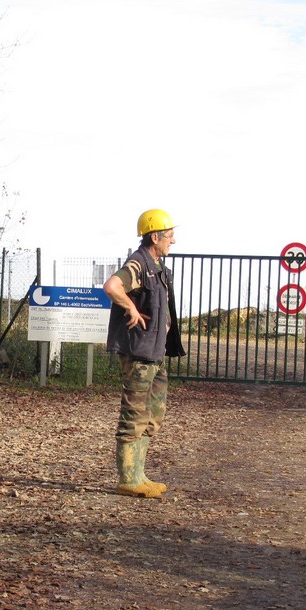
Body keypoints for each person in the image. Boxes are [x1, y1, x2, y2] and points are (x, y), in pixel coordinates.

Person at [103, 208, 178, 498]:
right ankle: (128, 479)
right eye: (169, 235)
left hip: (154, 353)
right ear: (155, 237)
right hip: (138, 354)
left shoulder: (158, 268)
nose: (173, 240)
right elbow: (112, 286)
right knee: (133, 415)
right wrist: (131, 308)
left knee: (153, 416)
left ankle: (139, 475)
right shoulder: (139, 264)